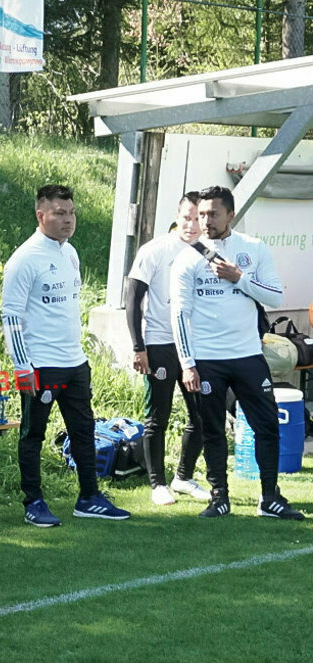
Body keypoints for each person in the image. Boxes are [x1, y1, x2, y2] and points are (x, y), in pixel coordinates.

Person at [170, 185, 304, 520]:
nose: (206, 220)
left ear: (231, 214)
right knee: (213, 429)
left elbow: (274, 297)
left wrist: (239, 277)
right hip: (207, 360)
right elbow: (180, 315)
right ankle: (219, 497)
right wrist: (187, 363)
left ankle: (270, 497)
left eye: (213, 214)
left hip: (248, 356)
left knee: (267, 426)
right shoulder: (188, 257)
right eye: (201, 214)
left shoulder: (253, 248)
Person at [1, 184, 131, 527]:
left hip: (75, 362)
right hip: (40, 365)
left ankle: (89, 497)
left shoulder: (69, 253)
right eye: (59, 213)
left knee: (84, 429)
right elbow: (11, 315)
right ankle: (34, 502)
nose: (68, 220)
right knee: (33, 434)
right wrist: (22, 366)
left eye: (71, 213)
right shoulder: (24, 259)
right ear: (41, 215)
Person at [125, 192, 211, 505]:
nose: (192, 225)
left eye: (197, 218)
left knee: (202, 416)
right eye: (186, 217)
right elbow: (132, 298)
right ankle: (157, 484)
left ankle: (184, 477)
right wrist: (138, 346)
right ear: (178, 217)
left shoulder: (208, 253)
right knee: (157, 418)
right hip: (160, 344)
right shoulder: (156, 250)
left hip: (196, 347)